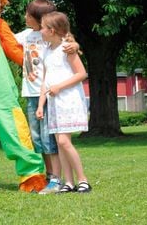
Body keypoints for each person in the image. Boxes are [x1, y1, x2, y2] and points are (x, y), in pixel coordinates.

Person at [14, 0, 78, 195]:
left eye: (28, 14)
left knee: (49, 138)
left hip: (48, 93)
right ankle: (49, 175)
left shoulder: (50, 35)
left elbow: (70, 41)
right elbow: (4, 37)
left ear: (40, 20)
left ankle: (56, 178)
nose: (25, 17)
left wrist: (74, 45)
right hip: (31, 93)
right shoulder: (26, 35)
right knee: (37, 138)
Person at [36, 11, 92, 194]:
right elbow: (45, 80)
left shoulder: (67, 49)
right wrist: (40, 104)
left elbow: (81, 73)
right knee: (60, 143)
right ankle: (68, 182)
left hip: (68, 100)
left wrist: (59, 87)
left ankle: (83, 180)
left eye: (43, 27)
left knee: (63, 141)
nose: (40, 30)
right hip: (53, 103)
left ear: (51, 30)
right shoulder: (47, 51)